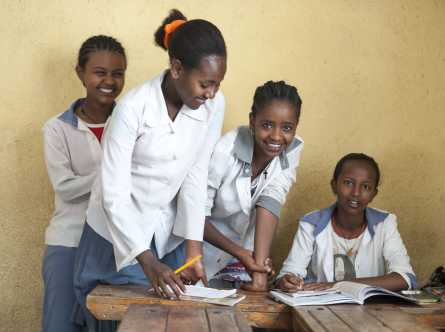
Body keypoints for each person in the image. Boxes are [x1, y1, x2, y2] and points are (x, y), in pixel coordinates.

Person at [72, 9, 227, 330]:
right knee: (113, 321)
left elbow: (196, 175)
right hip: (113, 237)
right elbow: (112, 194)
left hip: (164, 238)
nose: (211, 93)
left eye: (217, 83)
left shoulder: (213, 104)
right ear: (176, 68)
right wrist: (146, 260)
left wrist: (193, 248)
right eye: (205, 83)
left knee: (166, 322)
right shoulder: (132, 110)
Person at [42, 35, 126, 332]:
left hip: (116, 248)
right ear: (80, 72)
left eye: (118, 74)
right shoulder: (57, 128)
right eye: (100, 72)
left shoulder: (131, 124)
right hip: (69, 243)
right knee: (60, 325)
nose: (109, 81)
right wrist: (114, 175)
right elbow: (65, 187)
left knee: (111, 326)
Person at [202, 80, 304, 291]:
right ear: (252, 121)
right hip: (203, 248)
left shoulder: (292, 150)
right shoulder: (225, 150)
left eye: (287, 128)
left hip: (245, 255)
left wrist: (259, 274)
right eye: (267, 125)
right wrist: (242, 254)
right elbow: (194, 214)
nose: (276, 136)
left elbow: (271, 202)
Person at [276, 153, 416, 292]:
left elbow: (405, 278)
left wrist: (340, 285)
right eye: (348, 183)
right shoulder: (312, 223)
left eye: (366, 187)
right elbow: (288, 274)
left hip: (370, 311)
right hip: (321, 310)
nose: (356, 193)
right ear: (334, 185)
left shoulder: (385, 223)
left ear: (374, 194)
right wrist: (288, 281)